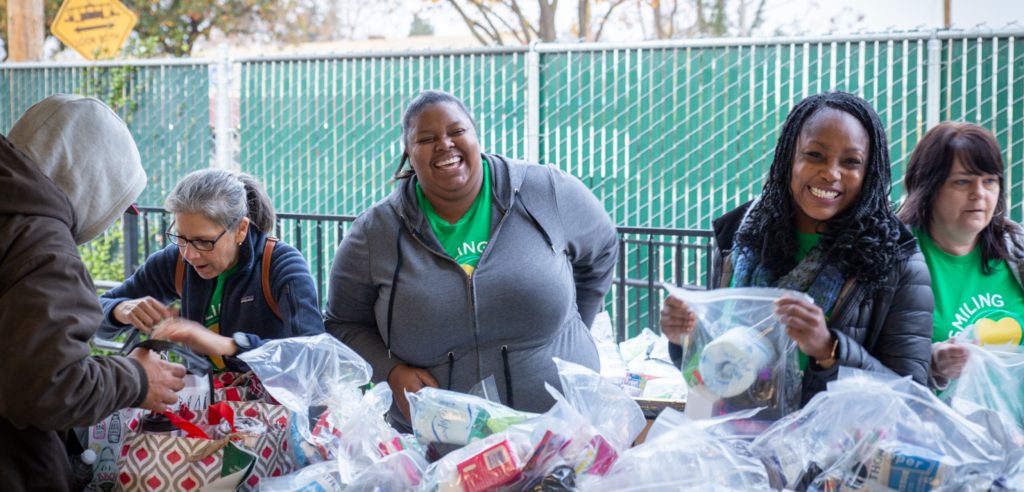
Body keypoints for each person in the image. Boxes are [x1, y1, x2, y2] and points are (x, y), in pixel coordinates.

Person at [325, 90, 618, 429]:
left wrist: (573, 322)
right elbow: (342, 323)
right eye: (426, 138)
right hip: (441, 446)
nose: (444, 144)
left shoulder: (545, 191)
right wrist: (389, 371)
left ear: (476, 136)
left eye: (457, 131)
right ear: (408, 153)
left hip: (563, 432)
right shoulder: (375, 232)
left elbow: (603, 248)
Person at [661, 91, 933, 404]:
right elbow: (715, 371)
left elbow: (912, 403)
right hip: (737, 440)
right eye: (815, 155)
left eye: (851, 162)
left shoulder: (898, 260)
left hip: (831, 449)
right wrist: (684, 337)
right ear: (790, 157)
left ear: (869, 172)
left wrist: (829, 349)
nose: (831, 173)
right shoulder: (740, 237)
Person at [0, 94, 187, 490]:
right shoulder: (42, 247)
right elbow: (51, 386)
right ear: (91, 180)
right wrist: (136, 377)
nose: (190, 251)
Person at [98, 169, 325, 370]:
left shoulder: (280, 265)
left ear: (241, 229)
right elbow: (90, 318)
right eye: (181, 237)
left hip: (271, 412)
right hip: (201, 409)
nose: (189, 254)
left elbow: (314, 355)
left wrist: (229, 345)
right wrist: (120, 310)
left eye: (204, 241)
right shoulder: (175, 260)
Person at [897, 122, 1024, 389]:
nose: (979, 194)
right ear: (929, 188)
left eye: (989, 181)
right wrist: (932, 364)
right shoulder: (894, 257)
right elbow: (871, 362)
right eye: (962, 182)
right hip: (934, 426)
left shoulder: (1017, 249)